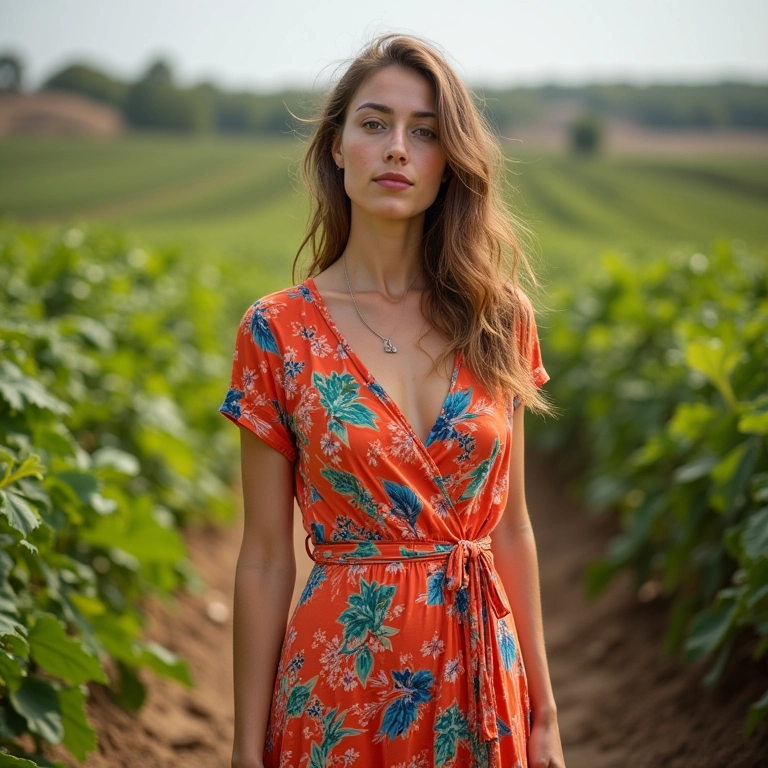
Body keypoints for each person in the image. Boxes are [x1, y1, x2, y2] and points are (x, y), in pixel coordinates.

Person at [220, 33, 565, 768]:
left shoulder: (499, 321)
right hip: (337, 689)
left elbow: (513, 531)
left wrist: (544, 711)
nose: (398, 148)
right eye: (374, 124)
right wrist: (246, 749)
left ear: (450, 162)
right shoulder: (276, 331)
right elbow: (262, 560)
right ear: (338, 148)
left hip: (483, 679)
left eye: (425, 132)